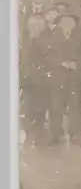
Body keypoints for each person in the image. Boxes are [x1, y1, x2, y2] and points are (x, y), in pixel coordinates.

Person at [39, 8, 81, 145]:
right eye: (64, 22)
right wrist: (61, 63)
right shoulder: (52, 37)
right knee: (55, 106)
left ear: (74, 24)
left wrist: (76, 64)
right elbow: (45, 56)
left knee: (75, 106)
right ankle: (54, 134)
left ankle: (75, 134)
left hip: (74, 77)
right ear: (59, 23)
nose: (67, 24)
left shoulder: (79, 37)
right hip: (57, 77)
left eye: (70, 22)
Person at [20, 14, 48, 146]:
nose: (36, 28)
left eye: (39, 26)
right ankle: (28, 132)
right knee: (28, 106)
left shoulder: (46, 39)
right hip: (28, 78)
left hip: (42, 78)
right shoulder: (25, 40)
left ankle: (39, 131)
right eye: (33, 26)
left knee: (41, 106)